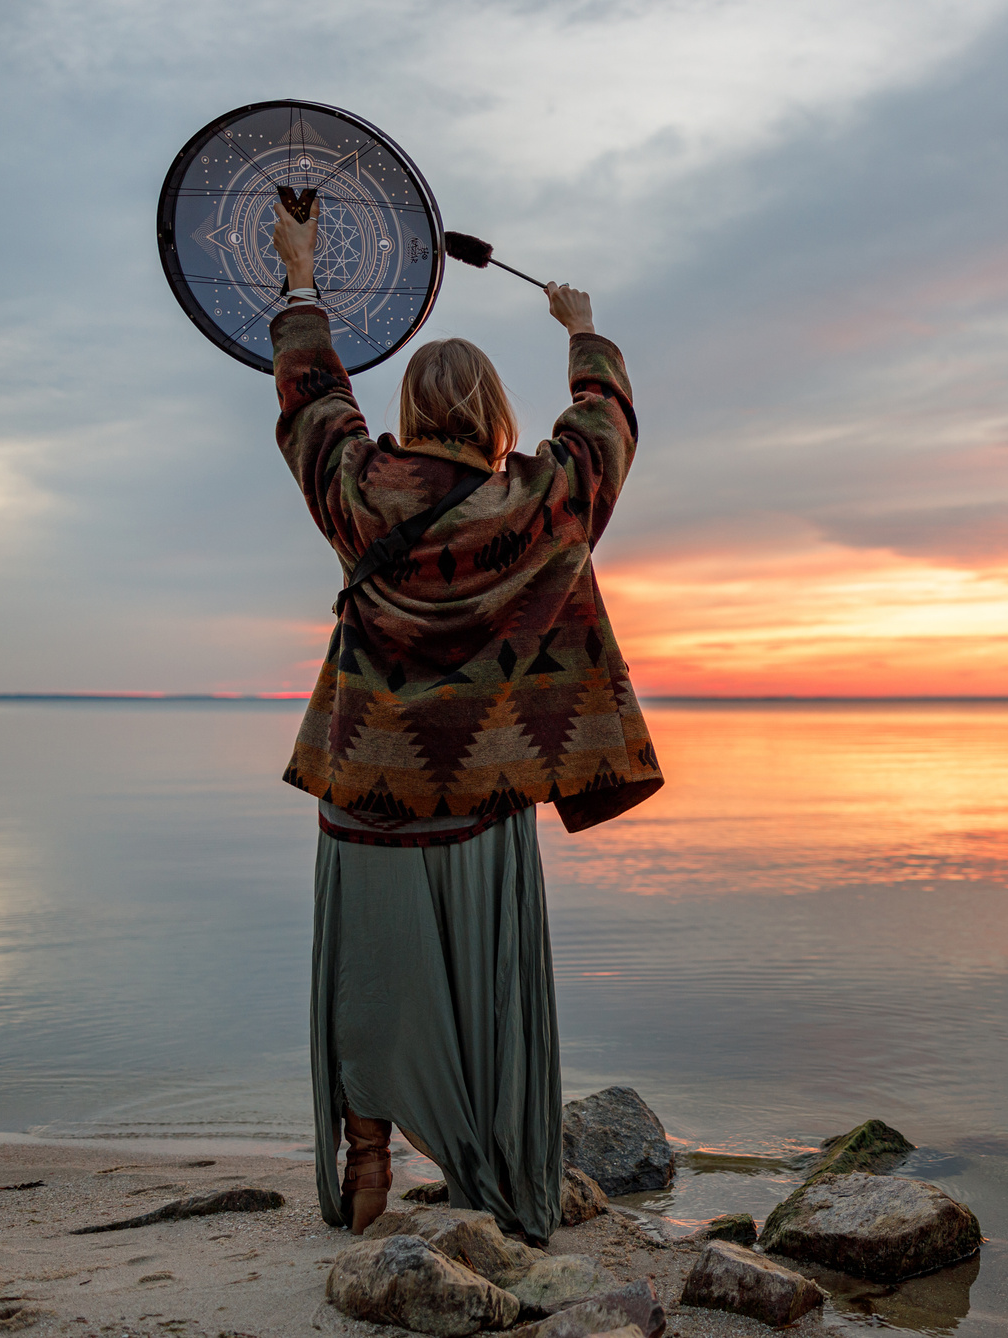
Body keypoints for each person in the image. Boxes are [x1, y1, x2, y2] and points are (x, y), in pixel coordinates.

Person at [268, 200, 663, 1241]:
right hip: (480, 806)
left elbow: (312, 399)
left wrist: (301, 274)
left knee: (365, 989)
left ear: (408, 408)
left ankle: (366, 1166)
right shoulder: (534, 507)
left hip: (364, 794)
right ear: (489, 412)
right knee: (486, 1006)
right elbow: (604, 434)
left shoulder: (356, 491)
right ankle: (495, 1174)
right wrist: (582, 335)